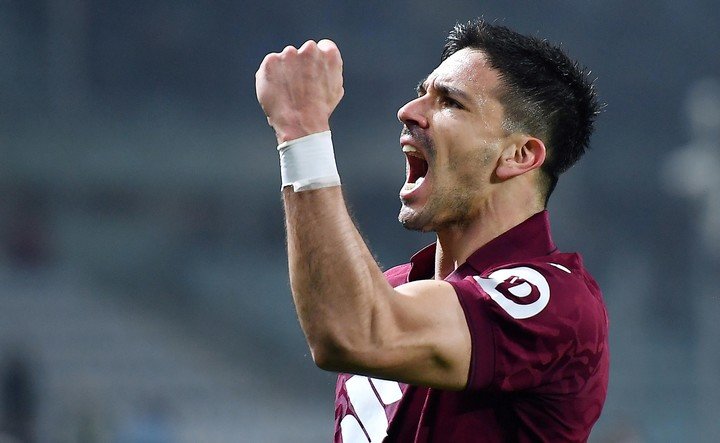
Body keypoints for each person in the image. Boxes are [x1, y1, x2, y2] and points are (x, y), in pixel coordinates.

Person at [255, 18, 609, 442]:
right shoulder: (392, 289)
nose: (408, 111)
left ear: (518, 155)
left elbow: (355, 331)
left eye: (450, 102)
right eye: (421, 93)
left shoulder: (556, 303)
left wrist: (302, 130)